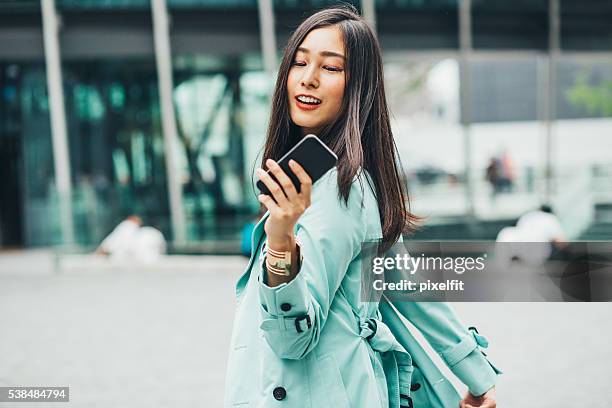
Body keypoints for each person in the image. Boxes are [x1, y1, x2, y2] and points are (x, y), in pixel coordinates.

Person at [225, 6, 500, 408]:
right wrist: (478, 378)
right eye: (299, 62)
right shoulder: (358, 181)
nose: (309, 78)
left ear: (358, 87)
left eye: (331, 68)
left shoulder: (338, 191)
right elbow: (408, 286)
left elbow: (292, 338)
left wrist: (280, 240)